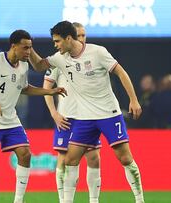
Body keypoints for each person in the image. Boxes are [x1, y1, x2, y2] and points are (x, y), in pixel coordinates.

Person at [29, 21, 144, 203]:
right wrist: (29, 50)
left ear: (68, 38)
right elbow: (39, 66)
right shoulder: (60, 57)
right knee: (69, 160)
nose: (55, 45)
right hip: (84, 118)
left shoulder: (97, 52)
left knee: (124, 158)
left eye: (57, 41)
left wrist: (134, 100)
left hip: (108, 113)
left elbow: (121, 73)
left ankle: (139, 199)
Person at [0, 30, 67, 203]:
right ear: (13, 46)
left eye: (30, 48)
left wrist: (49, 91)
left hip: (10, 120)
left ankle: (18, 200)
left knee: (25, 154)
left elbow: (24, 88)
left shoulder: (24, 65)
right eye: (25, 48)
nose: (29, 52)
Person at [43, 22, 101, 203]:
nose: (81, 39)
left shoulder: (91, 56)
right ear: (70, 37)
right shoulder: (58, 59)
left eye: (84, 35)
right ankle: (64, 200)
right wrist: (54, 113)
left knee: (94, 157)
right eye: (79, 35)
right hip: (66, 117)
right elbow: (47, 87)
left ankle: (93, 200)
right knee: (63, 158)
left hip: (88, 116)